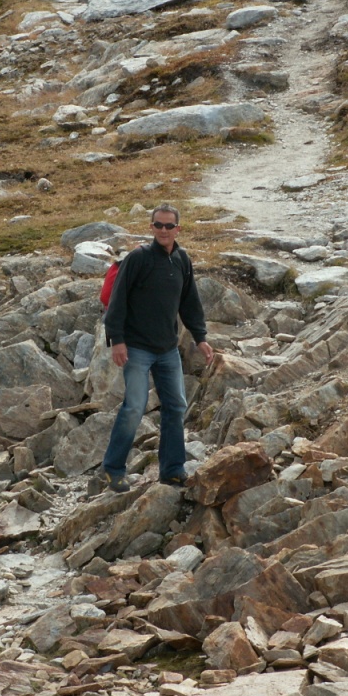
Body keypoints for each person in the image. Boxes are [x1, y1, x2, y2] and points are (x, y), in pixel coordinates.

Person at [100, 203, 214, 492]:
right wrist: (117, 340)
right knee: (134, 407)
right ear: (151, 227)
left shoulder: (182, 260)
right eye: (158, 225)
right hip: (136, 348)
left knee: (175, 406)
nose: (164, 230)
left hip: (168, 350)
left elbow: (190, 302)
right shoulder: (138, 258)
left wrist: (200, 337)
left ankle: (172, 470)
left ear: (178, 229)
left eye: (169, 225)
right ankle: (113, 469)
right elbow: (117, 300)